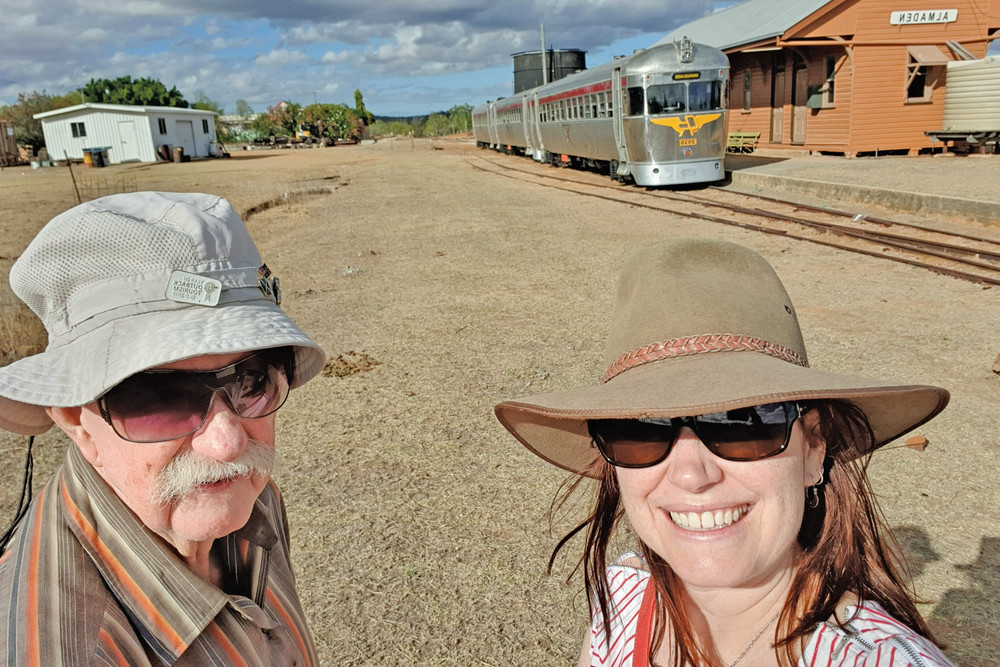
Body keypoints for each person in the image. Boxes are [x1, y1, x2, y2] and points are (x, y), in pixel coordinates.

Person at [495, 238, 956, 667]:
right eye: (640, 429)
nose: (692, 475)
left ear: (814, 448)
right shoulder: (624, 594)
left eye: (744, 423)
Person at [0, 192, 326, 665]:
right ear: (75, 419)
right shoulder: (64, 651)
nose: (228, 442)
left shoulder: (252, 500)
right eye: (160, 397)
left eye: (253, 379)